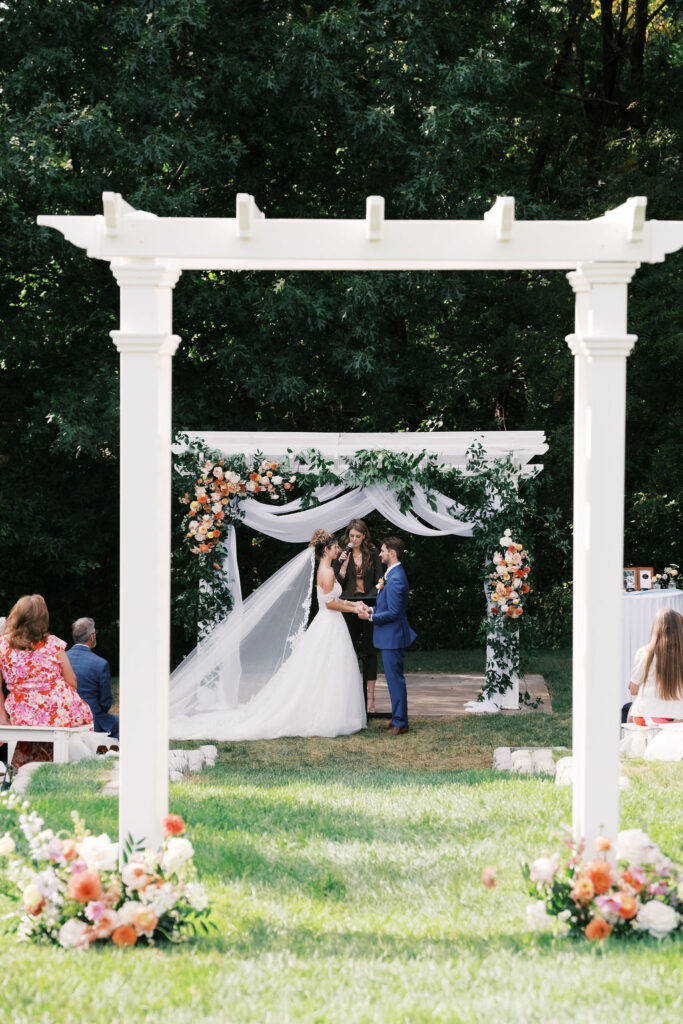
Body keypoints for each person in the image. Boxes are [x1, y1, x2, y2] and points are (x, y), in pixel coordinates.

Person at [174, 530, 367, 740]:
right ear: (326, 550)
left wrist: (353, 603)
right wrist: (354, 609)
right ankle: (327, 715)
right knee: (327, 667)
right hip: (329, 623)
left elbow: (333, 599)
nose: (338, 549)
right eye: (335, 547)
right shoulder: (327, 572)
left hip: (330, 624)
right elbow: (329, 604)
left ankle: (333, 712)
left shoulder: (327, 569)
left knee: (326, 668)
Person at [0, 595, 93, 767]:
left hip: (22, 712)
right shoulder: (53, 643)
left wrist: (2, 717)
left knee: (30, 733)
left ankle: (24, 769)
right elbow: (72, 681)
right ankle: (58, 765)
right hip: (57, 710)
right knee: (76, 721)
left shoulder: (2, 645)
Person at [359, 537, 417, 735]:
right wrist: (371, 608)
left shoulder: (397, 578)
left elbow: (393, 613)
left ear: (392, 553)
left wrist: (370, 616)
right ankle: (397, 719)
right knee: (393, 681)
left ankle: (401, 723)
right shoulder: (391, 575)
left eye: (383, 551)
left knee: (395, 681)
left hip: (393, 637)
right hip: (389, 636)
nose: (380, 554)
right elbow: (385, 606)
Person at [335, 519, 383, 713]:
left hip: (369, 605)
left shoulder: (373, 553)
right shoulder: (341, 554)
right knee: (347, 650)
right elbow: (336, 584)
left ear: (364, 537)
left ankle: (370, 700)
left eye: (357, 536)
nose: (353, 540)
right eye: (351, 536)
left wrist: (368, 600)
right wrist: (344, 565)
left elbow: (381, 580)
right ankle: (348, 698)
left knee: (370, 651)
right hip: (347, 605)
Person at [627, 607, 683, 726]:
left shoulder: (644, 652)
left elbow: (633, 689)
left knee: (629, 712)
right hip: (678, 717)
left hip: (647, 715)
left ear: (656, 628)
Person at [67, 617, 119, 740]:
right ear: (92, 636)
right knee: (123, 724)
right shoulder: (100, 664)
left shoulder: (61, 659)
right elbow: (105, 701)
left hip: (66, 715)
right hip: (93, 718)